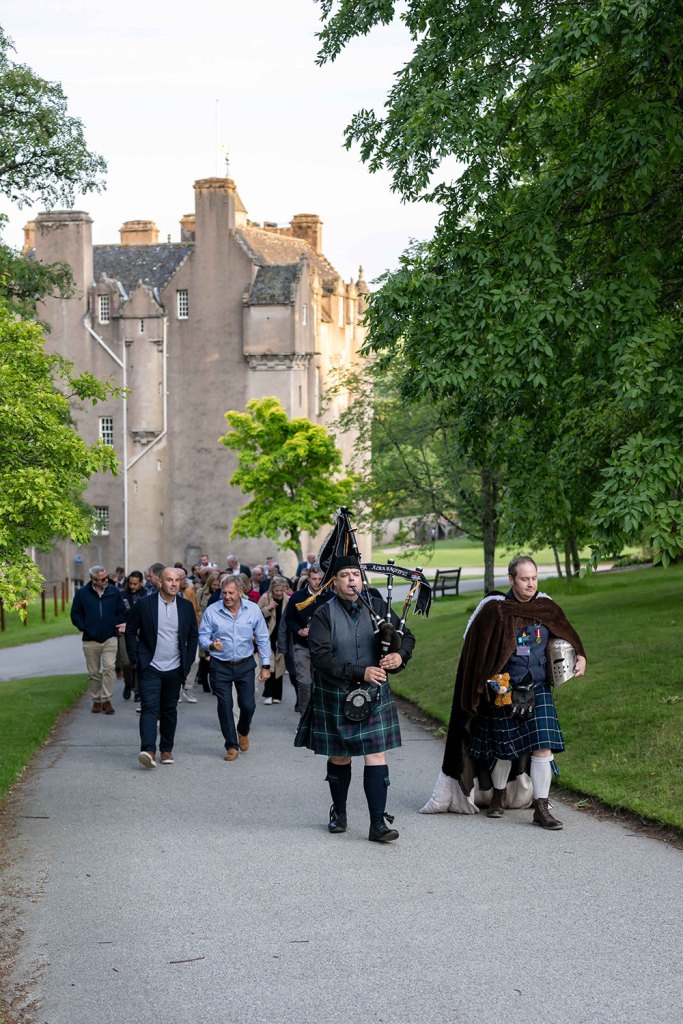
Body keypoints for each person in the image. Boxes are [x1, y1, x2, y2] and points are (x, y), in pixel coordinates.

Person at [420, 555, 587, 830]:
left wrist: (580, 655)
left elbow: (568, 635)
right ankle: (498, 796)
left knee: (543, 747)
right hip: (505, 687)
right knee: (504, 748)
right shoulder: (495, 610)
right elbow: (475, 647)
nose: (531, 584)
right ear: (511, 579)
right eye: (525, 579)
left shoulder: (546, 608)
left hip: (539, 687)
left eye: (534, 578)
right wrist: (480, 685)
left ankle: (542, 808)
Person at [295, 555, 415, 843]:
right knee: (341, 754)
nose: (352, 580)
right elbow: (322, 658)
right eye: (345, 575)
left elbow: (405, 635)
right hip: (337, 691)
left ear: (362, 580)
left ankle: (378, 823)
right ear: (333, 581)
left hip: (373, 694)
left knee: (376, 754)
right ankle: (339, 811)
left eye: (356, 575)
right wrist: (362, 671)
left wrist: (399, 656)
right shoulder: (324, 614)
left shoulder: (377, 607)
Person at [125, 567, 198, 769]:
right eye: (169, 580)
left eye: (177, 580)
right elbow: (130, 631)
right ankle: (148, 750)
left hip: (175, 667)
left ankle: (166, 748)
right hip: (150, 666)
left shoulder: (185, 606)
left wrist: (188, 660)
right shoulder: (144, 604)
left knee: (169, 709)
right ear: (159, 582)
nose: (174, 584)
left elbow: (193, 636)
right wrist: (135, 657)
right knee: (149, 707)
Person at [198, 577, 271, 761]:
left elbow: (262, 637)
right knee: (225, 706)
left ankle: (243, 731)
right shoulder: (212, 610)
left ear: (240, 592)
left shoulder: (253, 609)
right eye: (224, 593)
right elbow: (203, 636)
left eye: (231, 593)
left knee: (248, 705)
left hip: (245, 664)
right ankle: (231, 745)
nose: (227, 597)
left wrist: (266, 666)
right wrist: (211, 646)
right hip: (219, 666)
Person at [71, 565, 127, 715]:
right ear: (93, 580)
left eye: (106, 577)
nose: (105, 581)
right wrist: (85, 627)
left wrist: (114, 624)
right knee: (94, 672)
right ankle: (96, 700)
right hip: (90, 639)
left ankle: (107, 699)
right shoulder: (82, 594)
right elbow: (75, 614)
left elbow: (121, 611)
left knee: (109, 668)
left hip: (110, 637)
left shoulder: (114, 592)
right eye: (101, 579)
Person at [283, 565, 326, 714]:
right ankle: (305, 716)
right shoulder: (297, 597)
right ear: (308, 579)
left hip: (323, 646)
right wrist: (299, 630)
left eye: (320, 579)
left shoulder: (330, 597)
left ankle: (320, 716)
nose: (317, 582)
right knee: (304, 682)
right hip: (302, 645)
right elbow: (289, 619)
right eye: (314, 579)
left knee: (320, 682)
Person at [258, 575, 289, 704]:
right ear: (272, 589)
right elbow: (257, 614)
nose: (279, 593)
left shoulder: (288, 599)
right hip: (268, 634)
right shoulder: (265, 598)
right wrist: (269, 608)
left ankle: (277, 695)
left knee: (279, 665)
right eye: (277, 590)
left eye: (281, 590)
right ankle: (268, 694)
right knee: (269, 665)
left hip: (282, 635)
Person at [177, 569, 202, 702]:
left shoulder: (189, 591)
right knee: (178, 661)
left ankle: (188, 687)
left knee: (195, 660)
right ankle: (178, 689)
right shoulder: (170, 592)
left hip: (191, 631)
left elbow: (196, 610)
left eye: (185, 577)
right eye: (181, 578)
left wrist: (196, 628)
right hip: (176, 633)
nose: (184, 580)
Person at [120, 571, 145, 700]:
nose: (132, 586)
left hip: (141, 632)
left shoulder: (146, 595)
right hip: (125, 631)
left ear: (141, 583)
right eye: (130, 583)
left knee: (138, 661)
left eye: (135, 584)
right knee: (126, 661)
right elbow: (117, 613)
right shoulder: (122, 595)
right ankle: (128, 684)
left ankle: (137, 691)